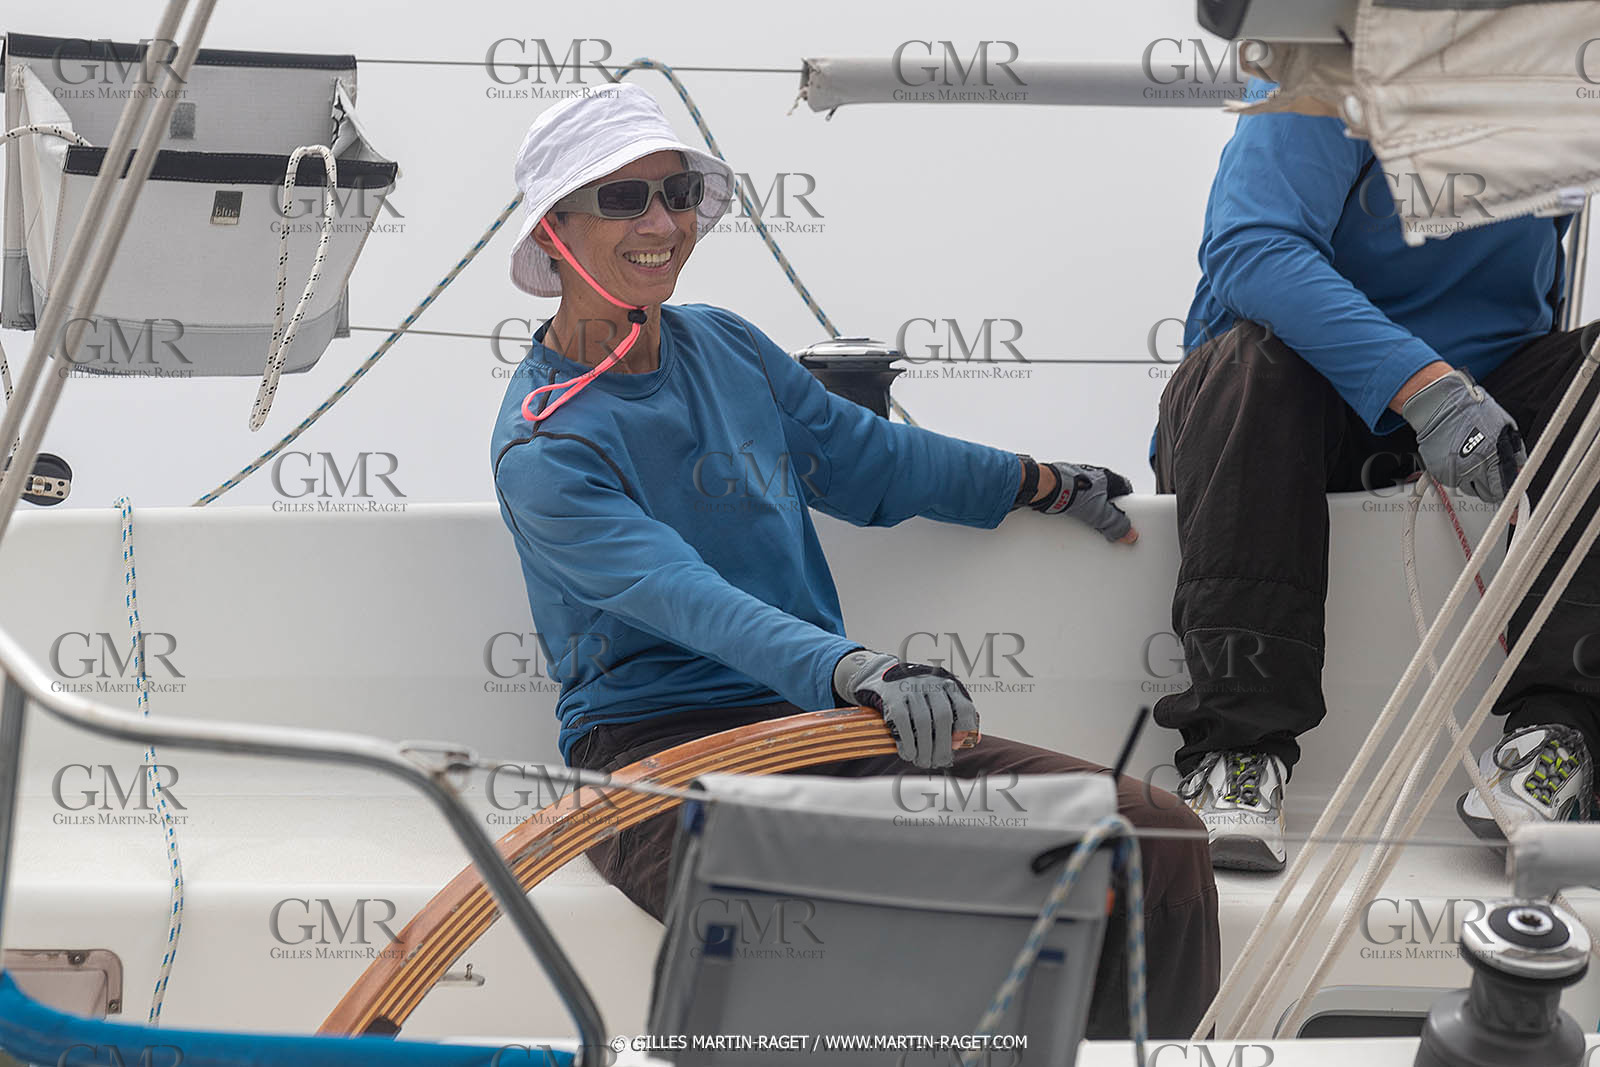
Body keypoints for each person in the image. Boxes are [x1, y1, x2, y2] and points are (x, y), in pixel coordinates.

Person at [489, 84, 1218, 1038]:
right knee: (837, 925)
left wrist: (1037, 481)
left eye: (673, 192)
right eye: (623, 200)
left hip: (822, 726)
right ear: (554, 229)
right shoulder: (543, 444)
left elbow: (871, 459)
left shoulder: (727, 346)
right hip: (659, 765)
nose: (662, 221)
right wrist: (853, 666)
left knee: (1153, 837)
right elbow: (688, 596)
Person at [1154, 77, 1600, 873]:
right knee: (1261, 363)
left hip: (1487, 391)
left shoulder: (1564, 96)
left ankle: (1560, 740)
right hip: (1274, 408)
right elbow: (1252, 247)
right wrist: (1426, 391)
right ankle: (1237, 750)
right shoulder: (1327, 69)